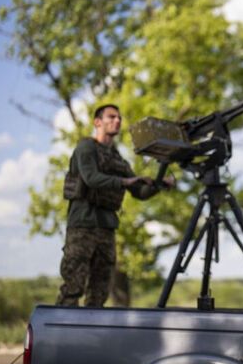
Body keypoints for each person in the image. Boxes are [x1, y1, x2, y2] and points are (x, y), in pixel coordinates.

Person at [56, 104, 174, 307]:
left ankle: (91, 336)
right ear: (97, 122)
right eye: (111, 117)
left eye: (119, 118)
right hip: (83, 225)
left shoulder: (117, 159)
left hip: (107, 228)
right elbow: (91, 178)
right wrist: (124, 181)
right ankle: (57, 335)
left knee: (100, 292)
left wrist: (159, 182)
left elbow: (140, 192)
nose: (117, 121)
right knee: (73, 287)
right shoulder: (86, 148)